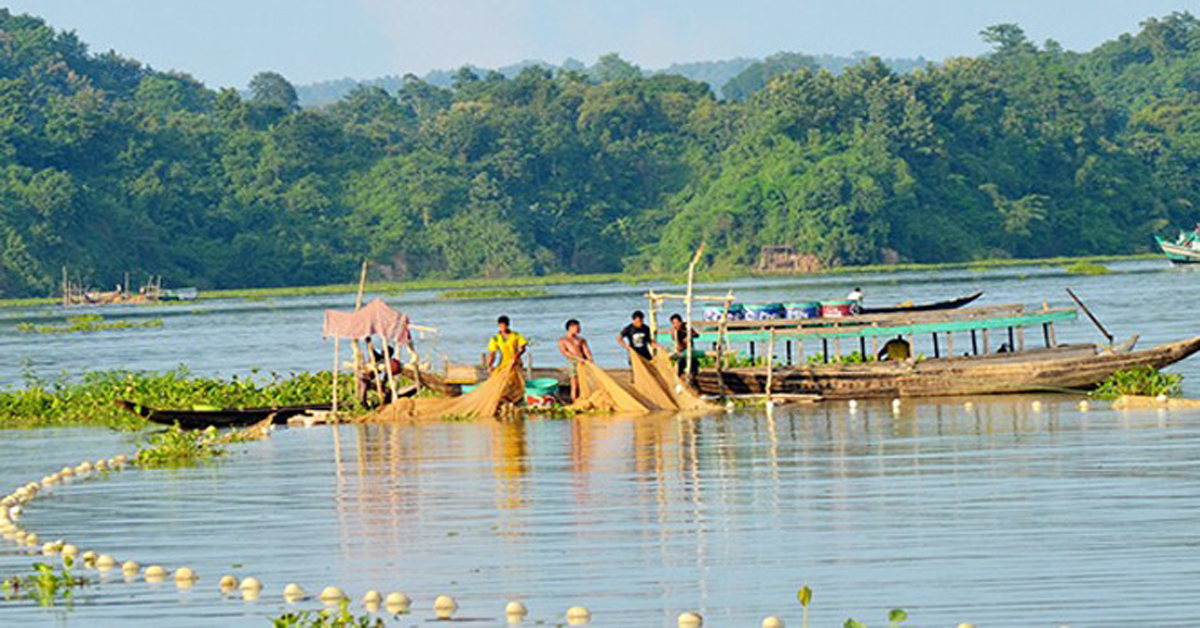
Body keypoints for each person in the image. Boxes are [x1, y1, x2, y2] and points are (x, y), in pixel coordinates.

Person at [557, 319, 594, 402]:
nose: (579, 329)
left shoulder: (581, 340)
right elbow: (565, 352)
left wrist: (590, 360)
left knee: (584, 383)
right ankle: (575, 400)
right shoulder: (563, 340)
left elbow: (586, 351)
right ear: (570, 328)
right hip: (573, 362)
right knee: (575, 383)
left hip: (584, 362)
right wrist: (578, 359)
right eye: (577, 327)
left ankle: (584, 399)